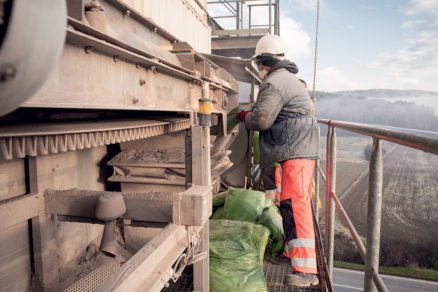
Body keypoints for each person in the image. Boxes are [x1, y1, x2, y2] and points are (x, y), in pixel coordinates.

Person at [237, 34, 320, 287]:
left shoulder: (275, 82)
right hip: (298, 149)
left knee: (296, 206)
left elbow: (262, 120)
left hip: (295, 151)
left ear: (264, 61)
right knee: (291, 204)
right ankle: (292, 254)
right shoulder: (288, 79)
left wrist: (244, 115)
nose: (260, 70)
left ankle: (307, 272)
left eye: (260, 64)